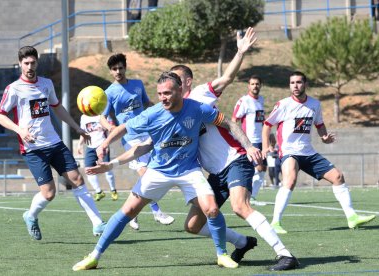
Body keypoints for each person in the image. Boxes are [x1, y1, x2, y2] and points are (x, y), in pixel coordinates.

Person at [88, 27, 299, 271]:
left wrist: (240, 52)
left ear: (185, 83)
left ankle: (284, 253)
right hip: (213, 172)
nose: (169, 88)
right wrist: (108, 148)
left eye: (175, 81)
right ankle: (242, 242)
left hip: (233, 160)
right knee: (193, 225)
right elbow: (145, 142)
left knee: (240, 206)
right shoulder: (166, 111)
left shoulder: (200, 96)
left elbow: (227, 81)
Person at [73, 71, 248, 271]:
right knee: (128, 210)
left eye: (167, 93)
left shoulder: (198, 108)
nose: (163, 97)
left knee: (212, 208)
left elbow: (226, 122)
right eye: (159, 94)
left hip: (189, 170)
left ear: (180, 90)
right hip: (158, 171)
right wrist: (105, 146)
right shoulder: (152, 114)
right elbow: (125, 130)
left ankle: (222, 254)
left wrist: (248, 146)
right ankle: (94, 256)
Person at [0, 46, 107, 240]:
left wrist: (76, 127)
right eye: (26, 63)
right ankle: (30, 216)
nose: (30, 66)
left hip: (54, 143)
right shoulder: (13, 89)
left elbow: (57, 107)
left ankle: (98, 224)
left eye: (33, 62)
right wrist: (20, 130)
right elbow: (0, 116)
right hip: (33, 149)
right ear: (20, 64)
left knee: (77, 180)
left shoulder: (46, 84)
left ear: (37, 62)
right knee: (49, 194)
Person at [262, 71, 376, 234]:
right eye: (292, 83)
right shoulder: (283, 104)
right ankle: (275, 222)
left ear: (305, 84)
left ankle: (352, 217)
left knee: (337, 176)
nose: (295, 86)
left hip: (308, 152)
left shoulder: (315, 104)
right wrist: (266, 146)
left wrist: (324, 137)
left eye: (299, 82)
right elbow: (267, 125)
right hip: (289, 151)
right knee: (290, 180)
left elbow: (319, 124)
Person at [99, 53, 174, 230]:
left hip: (148, 133)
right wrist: (110, 128)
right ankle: (157, 211)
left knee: (150, 173)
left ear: (125, 68)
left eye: (120, 67)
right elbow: (102, 117)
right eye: (114, 69)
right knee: (145, 174)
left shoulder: (137, 84)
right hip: (129, 137)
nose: (118, 71)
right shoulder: (109, 93)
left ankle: (133, 212)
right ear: (110, 71)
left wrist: (163, 110)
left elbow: (147, 103)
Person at [232, 75, 267, 203]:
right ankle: (246, 196)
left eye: (257, 84)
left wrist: (269, 137)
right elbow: (234, 120)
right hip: (250, 141)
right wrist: (239, 139)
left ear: (260, 85)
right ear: (248, 86)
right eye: (252, 84)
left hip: (261, 140)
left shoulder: (261, 100)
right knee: (257, 168)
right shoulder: (244, 101)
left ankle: (252, 196)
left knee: (262, 169)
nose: (255, 86)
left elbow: (262, 120)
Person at [77, 114, 118, 201]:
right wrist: (79, 144)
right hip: (90, 147)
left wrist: (107, 143)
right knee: (88, 170)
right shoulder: (83, 117)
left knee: (107, 168)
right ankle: (99, 192)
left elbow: (112, 128)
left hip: (102, 144)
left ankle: (113, 190)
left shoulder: (103, 115)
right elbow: (83, 132)